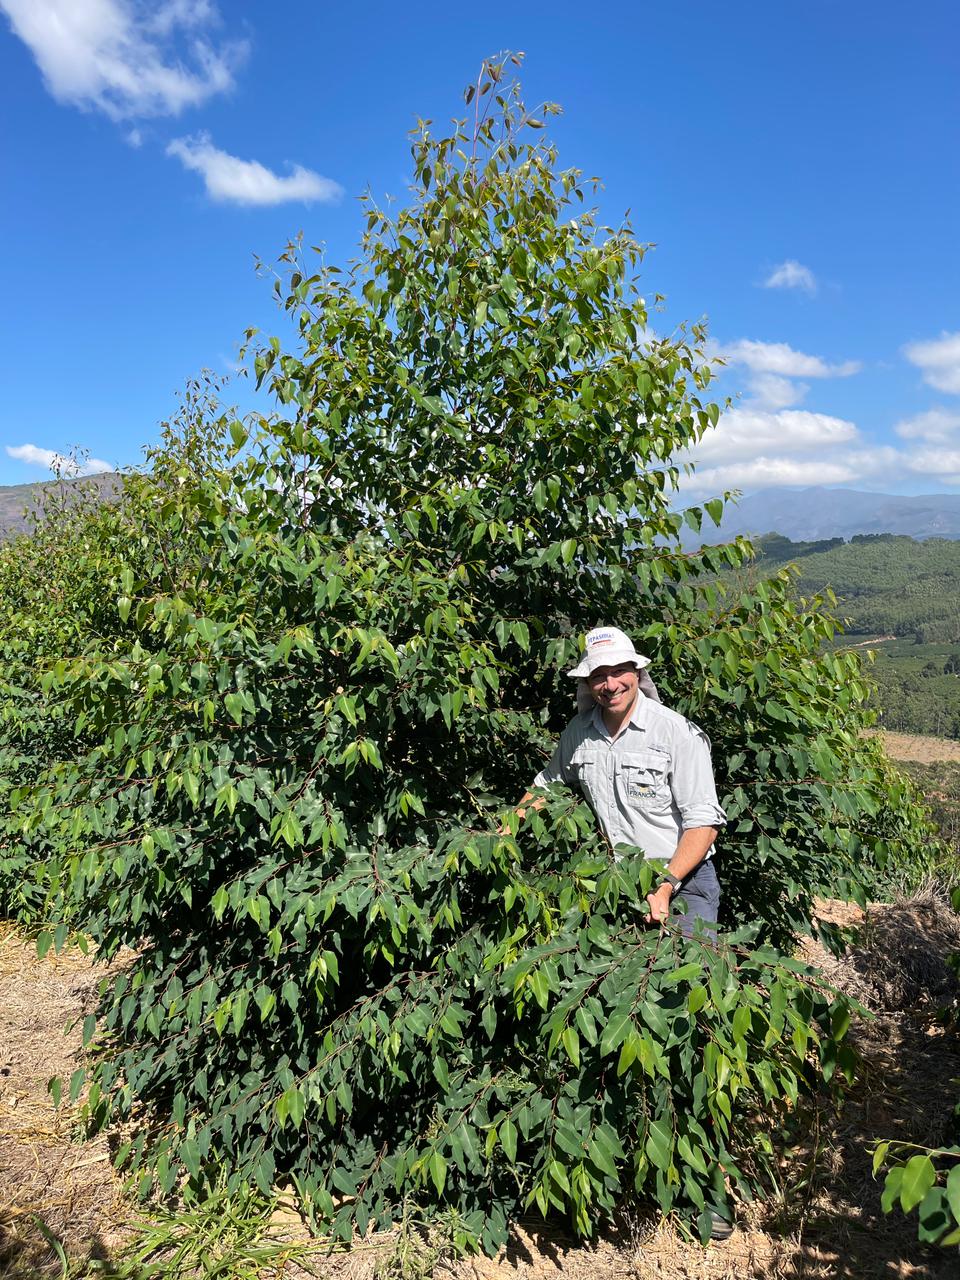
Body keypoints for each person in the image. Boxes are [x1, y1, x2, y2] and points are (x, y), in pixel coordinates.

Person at [519, 626, 726, 934]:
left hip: (684, 882)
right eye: (599, 676)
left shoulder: (676, 733)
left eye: (619, 671)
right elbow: (548, 784)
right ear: (587, 683)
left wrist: (666, 885)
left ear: (637, 672)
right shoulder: (579, 732)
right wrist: (505, 830)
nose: (611, 685)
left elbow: (704, 823)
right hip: (618, 881)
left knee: (689, 963)